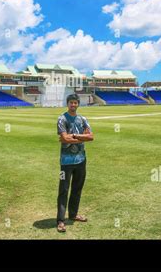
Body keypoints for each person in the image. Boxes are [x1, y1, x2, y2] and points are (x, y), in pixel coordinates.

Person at [56, 93, 94, 233]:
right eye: (71, 102)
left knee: (77, 188)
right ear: (68, 104)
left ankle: (73, 214)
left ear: (78, 104)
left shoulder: (82, 119)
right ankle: (60, 220)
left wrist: (74, 136)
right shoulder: (62, 119)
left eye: (75, 102)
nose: (73, 105)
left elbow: (91, 136)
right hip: (65, 162)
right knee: (63, 190)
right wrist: (81, 138)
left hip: (81, 161)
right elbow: (64, 138)